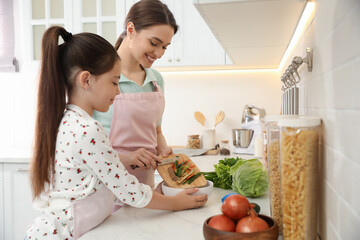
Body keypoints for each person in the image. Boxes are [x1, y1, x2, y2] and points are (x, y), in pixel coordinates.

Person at [26, 26, 207, 240]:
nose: (118, 91)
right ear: (86, 80)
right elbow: (128, 190)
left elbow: (101, 178)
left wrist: (154, 190)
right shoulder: (88, 129)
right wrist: (175, 203)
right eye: (114, 82)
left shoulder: (68, 120)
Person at [93, 0, 177, 189]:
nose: (159, 53)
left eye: (165, 46)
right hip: (106, 186)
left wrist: (163, 149)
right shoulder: (98, 75)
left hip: (144, 188)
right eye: (154, 43)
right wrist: (126, 158)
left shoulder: (156, 80)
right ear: (131, 29)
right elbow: (82, 146)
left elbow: (156, 132)